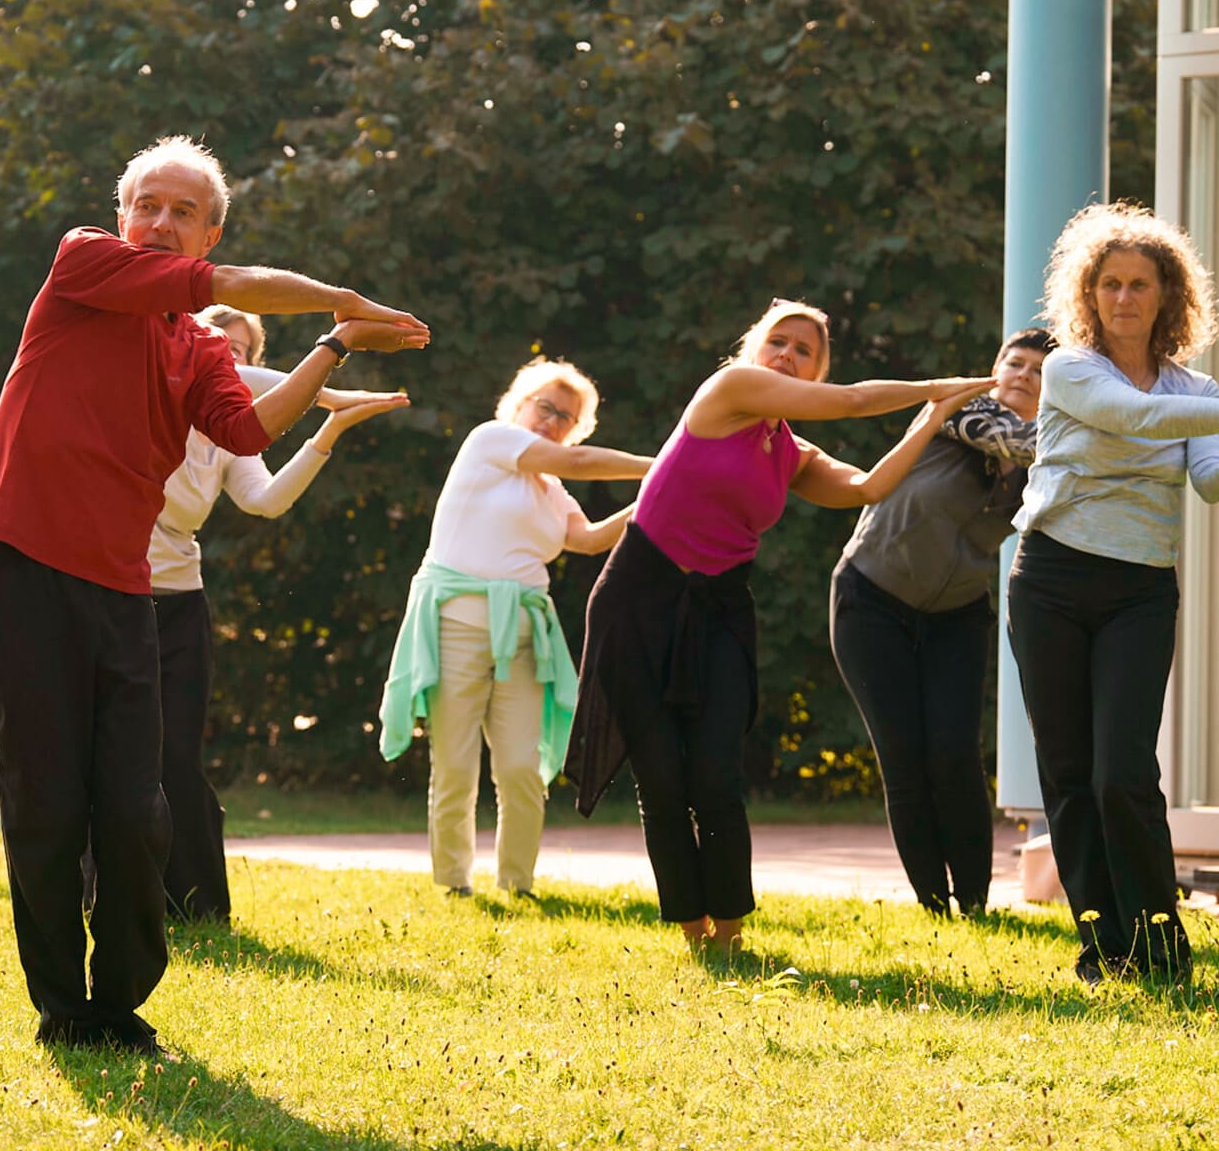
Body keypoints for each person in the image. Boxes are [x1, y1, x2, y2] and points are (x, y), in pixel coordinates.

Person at [0, 135, 428, 1053]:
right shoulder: (83, 264)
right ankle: (65, 1009)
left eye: (183, 211)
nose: (160, 221)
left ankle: (122, 999)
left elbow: (249, 427)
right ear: (123, 210)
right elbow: (239, 284)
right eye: (149, 203)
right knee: (45, 801)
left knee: (138, 807)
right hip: (22, 568)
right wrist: (340, 297)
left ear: (209, 229)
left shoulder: (200, 348)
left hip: (126, 590)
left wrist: (332, 344)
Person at [563, 302, 989, 958]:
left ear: (816, 370)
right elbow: (849, 402)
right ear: (753, 350)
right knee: (664, 781)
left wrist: (932, 417)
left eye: (804, 352)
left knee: (715, 774)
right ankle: (694, 931)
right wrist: (935, 387)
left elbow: (868, 487)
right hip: (639, 599)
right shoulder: (727, 391)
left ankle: (731, 930)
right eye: (778, 343)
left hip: (720, 610)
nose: (788, 356)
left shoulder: (792, 450)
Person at [1009, 205, 1219, 985]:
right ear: (1089, 294)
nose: (1124, 297)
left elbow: (1207, 480)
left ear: (1168, 294)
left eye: (1141, 284)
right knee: (1066, 772)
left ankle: (1161, 946)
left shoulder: (1193, 388)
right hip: (1051, 581)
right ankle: (1104, 946)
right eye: (1110, 284)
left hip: (1138, 590)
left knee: (1122, 771)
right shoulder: (1070, 368)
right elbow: (1131, 418)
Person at [151, 306, 407, 923]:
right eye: (219, 346)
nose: (230, 360)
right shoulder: (155, 390)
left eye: (243, 352)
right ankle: (105, 896)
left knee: (177, 758)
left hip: (180, 598)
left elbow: (263, 501)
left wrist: (329, 430)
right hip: (114, 590)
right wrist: (329, 388)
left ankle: (195, 907)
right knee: (118, 757)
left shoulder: (228, 431)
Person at [378, 358, 650, 898]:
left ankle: (517, 883)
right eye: (545, 406)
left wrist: (656, 497)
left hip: (525, 636)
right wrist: (663, 464)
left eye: (566, 418)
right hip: (457, 625)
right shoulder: (491, 442)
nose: (552, 420)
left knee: (523, 768)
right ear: (518, 403)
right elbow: (582, 464)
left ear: (576, 430)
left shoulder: (552, 491)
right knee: (455, 764)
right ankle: (453, 884)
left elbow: (591, 539)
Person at [830, 329, 1051, 918]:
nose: (1023, 376)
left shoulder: (1043, 463)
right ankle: (932, 905)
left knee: (955, 754)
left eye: (1039, 371)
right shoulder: (965, 409)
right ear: (995, 366)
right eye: (1015, 362)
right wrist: (1082, 432)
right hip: (871, 602)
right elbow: (1019, 441)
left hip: (957, 613)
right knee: (903, 757)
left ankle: (975, 905)